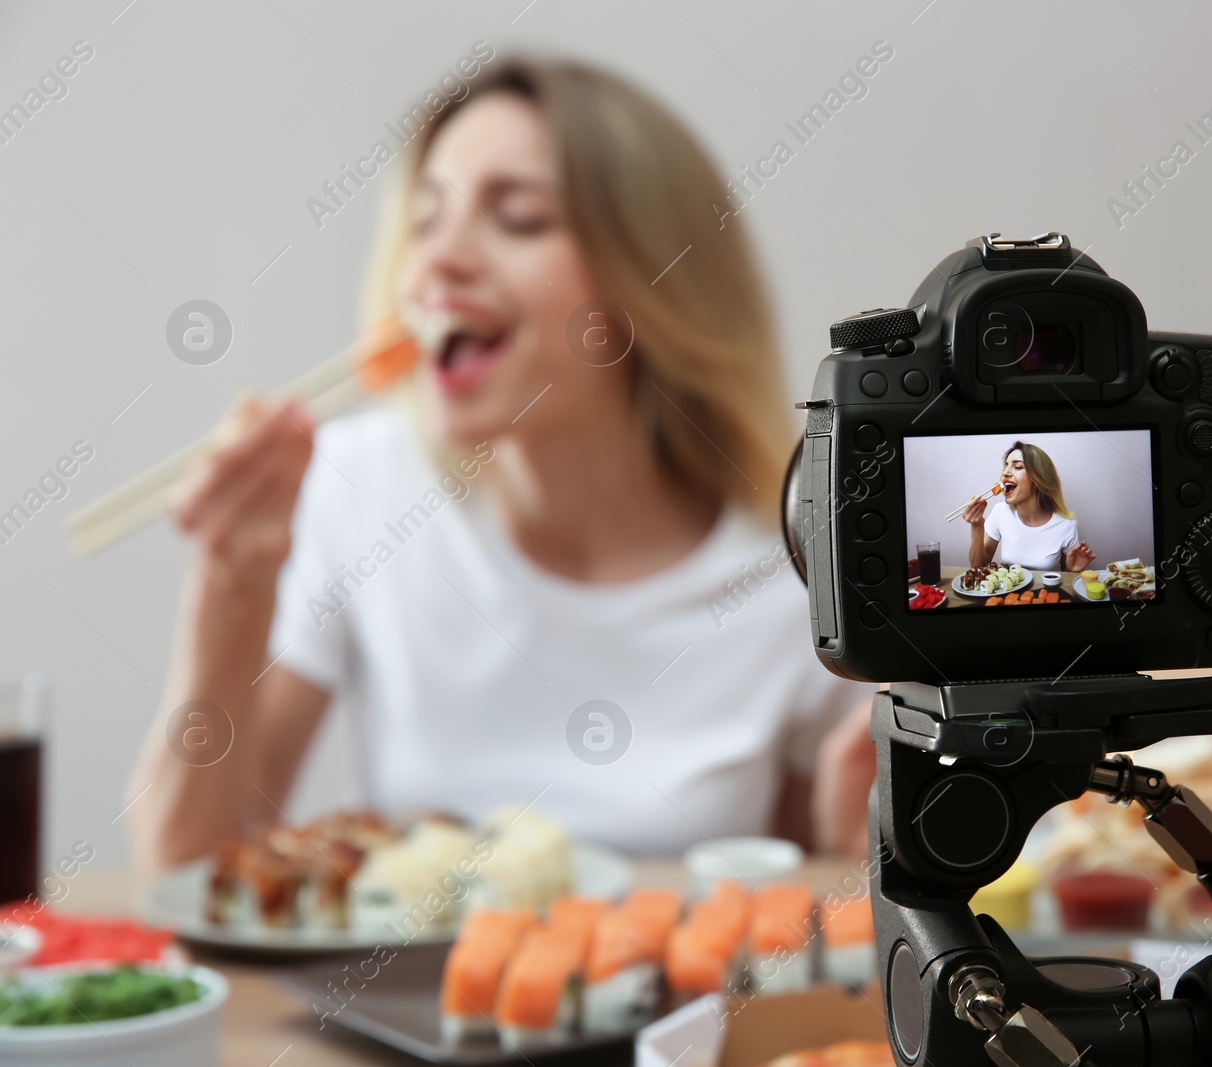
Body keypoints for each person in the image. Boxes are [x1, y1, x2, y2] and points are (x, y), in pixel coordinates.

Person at [127, 57, 877, 865]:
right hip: (377, 1000)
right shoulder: (359, 483)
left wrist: (856, 851)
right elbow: (184, 866)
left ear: (651, 283)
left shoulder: (793, 575)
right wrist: (230, 586)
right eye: (424, 220)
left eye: (518, 219)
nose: (436, 263)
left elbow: (792, 920)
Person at [962, 441, 1097, 572]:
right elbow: (978, 567)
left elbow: (1062, 575)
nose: (1005, 473)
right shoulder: (1000, 512)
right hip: (1009, 593)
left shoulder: (1066, 523)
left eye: (1018, 467)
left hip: (1046, 594)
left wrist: (1071, 570)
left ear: (1038, 478)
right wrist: (977, 526)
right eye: (1006, 466)